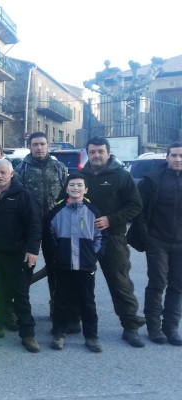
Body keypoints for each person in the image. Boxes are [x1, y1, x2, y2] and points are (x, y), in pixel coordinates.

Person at [79, 136, 145, 347]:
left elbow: (135, 205)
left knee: (120, 282)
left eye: (100, 151)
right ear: (87, 154)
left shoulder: (121, 176)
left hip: (112, 237)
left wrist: (111, 219)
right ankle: (71, 319)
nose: (96, 155)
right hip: (83, 238)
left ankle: (130, 326)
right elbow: (65, 199)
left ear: (108, 152)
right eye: (92, 152)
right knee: (77, 280)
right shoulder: (80, 175)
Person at [0, 159, 41, 352]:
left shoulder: (22, 195)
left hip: (16, 253)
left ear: (11, 174)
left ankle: (28, 334)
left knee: (20, 294)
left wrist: (32, 249)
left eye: (3, 172)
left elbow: (34, 224)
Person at [45, 173, 105, 353]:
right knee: (61, 300)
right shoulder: (57, 210)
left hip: (85, 265)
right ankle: (59, 333)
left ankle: (91, 337)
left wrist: (94, 256)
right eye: (72, 185)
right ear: (66, 188)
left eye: (80, 185)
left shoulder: (93, 210)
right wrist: (57, 255)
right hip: (63, 264)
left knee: (87, 301)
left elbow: (101, 236)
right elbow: (49, 235)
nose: (75, 188)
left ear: (85, 189)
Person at [130, 142, 182, 345]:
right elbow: (139, 211)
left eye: (181, 156)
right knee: (158, 283)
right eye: (174, 156)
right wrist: (146, 236)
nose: (178, 159)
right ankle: (154, 327)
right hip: (157, 240)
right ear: (167, 158)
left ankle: (172, 327)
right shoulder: (152, 181)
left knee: (177, 286)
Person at [15, 132, 68, 316]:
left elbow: (68, 195)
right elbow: (17, 198)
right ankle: (20, 309)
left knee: (56, 269)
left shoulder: (59, 167)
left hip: (54, 227)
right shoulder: (21, 169)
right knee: (25, 268)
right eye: (35, 144)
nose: (39, 147)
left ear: (48, 146)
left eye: (42, 144)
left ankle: (57, 308)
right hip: (29, 227)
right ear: (29, 146)